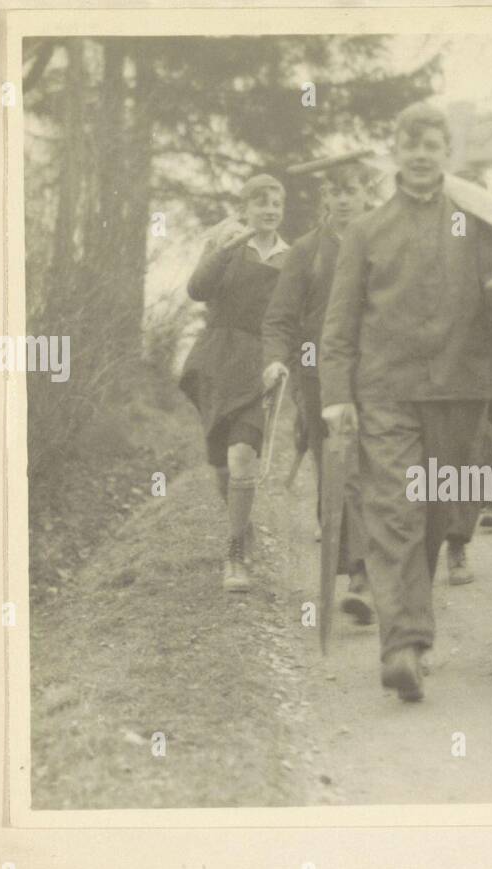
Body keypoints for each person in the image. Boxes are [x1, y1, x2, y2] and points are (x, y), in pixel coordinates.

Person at [318, 103, 492, 702]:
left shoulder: (477, 221)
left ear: (447, 152)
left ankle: (411, 622)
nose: (420, 154)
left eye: (431, 144)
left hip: (461, 390)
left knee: (440, 512)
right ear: (396, 151)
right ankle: (404, 645)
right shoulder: (367, 230)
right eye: (409, 143)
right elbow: (338, 325)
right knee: (395, 512)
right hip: (386, 391)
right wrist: (336, 397)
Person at [262, 159, 376, 623]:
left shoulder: (384, 244)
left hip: (378, 372)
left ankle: (371, 571)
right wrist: (274, 358)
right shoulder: (307, 252)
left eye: (353, 189)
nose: (344, 198)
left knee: (376, 467)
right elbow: (280, 317)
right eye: (335, 190)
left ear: (368, 193)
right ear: (325, 196)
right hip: (318, 377)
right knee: (336, 468)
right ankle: (356, 570)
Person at [181, 173, 290, 593]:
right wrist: (220, 250)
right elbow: (196, 290)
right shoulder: (229, 245)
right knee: (222, 463)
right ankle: (241, 527)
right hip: (216, 362)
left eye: (275, 204)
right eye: (260, 203)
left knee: (244, 454)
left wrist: (284, 360)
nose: (268, 210)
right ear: (244, 208)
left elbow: (293, 317)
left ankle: (235, 556)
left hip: (260, 365)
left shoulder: (290, 257)